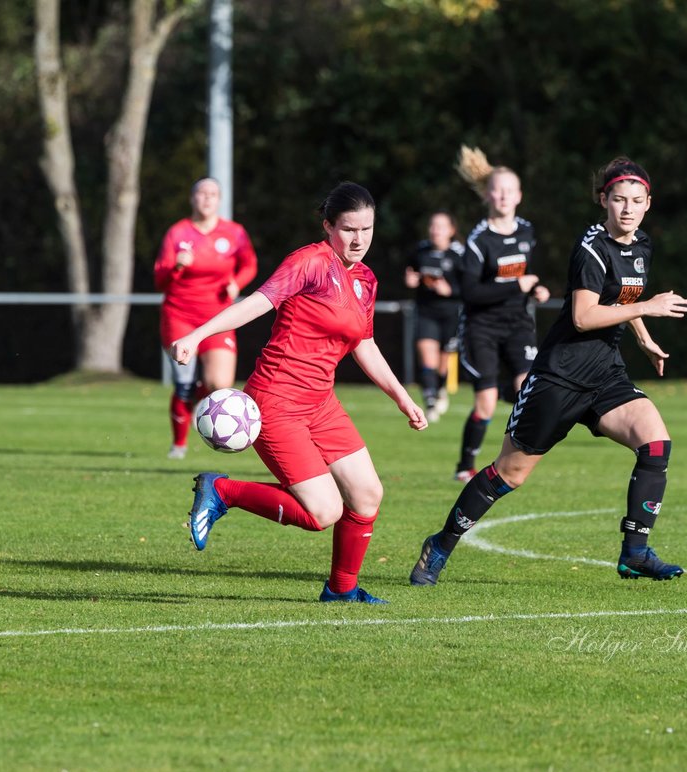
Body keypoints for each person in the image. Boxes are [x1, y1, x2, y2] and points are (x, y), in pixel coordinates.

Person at [410, 157, 687, 587]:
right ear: (604, 200)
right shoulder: (592, 248)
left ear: (648, 204)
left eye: (637, 201)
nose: (628, 208)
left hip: (605, 375)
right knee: (510, 473)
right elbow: (582, 316)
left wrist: (641, 334)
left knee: (656, 444)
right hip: (559, 376)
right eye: (618, 199)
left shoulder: (641, 246)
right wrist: (648, 307)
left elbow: (621, 297)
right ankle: (441, 544)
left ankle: (634, 552)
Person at [171, 182, 426, 604]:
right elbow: (256, 302)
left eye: (367, 228)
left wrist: (402, 397)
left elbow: (364, 344)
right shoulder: (309, 262)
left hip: (320, 403)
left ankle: (341, 590)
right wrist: (199, 335)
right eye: (348, 229)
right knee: (323, 512)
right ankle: (222, 491)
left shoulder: (365, 279)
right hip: (277, 401)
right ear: (328, 226)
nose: (359, 239)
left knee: (366, 494)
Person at [451, 146, 550, 482]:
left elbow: (530, 273)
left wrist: (537, 288)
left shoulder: (527, 231)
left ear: (519, 195)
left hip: (518, 323)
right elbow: (470, 293)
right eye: (498, 190)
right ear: (487, 194)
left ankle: (516, 460)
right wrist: (516, 287)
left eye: (510, 190)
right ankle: (465, 465)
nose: (504, 196)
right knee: (487, 403)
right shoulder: (479, 241)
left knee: (528, 388)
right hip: (482, 327)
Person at [154, 178, 258, 459]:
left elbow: (250, 264)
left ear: (219, 199)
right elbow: (160, 280)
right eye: (201, 193)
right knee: (184, 383)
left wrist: (237, 282)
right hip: (180, 315)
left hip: (218, 317)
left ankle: (200, 412)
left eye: (212, 194)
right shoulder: (178, 233)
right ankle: (179, 445)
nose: (207, 199)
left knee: (220, 385)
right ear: (192, 199)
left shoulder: (234, 233)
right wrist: (176, 266)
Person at [403, 210, 464, 423]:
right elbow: (411, 273)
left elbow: (470, 287)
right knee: (427, 355)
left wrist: (451, 290)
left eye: (441, 226)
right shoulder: (421, 251)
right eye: (433, 225)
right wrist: (410, 280)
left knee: (442, 363)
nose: (435, 230)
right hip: (426, 312)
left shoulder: (459, 254)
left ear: (451, 231)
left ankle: (439, 390)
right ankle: (429, 400)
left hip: (450, 314)